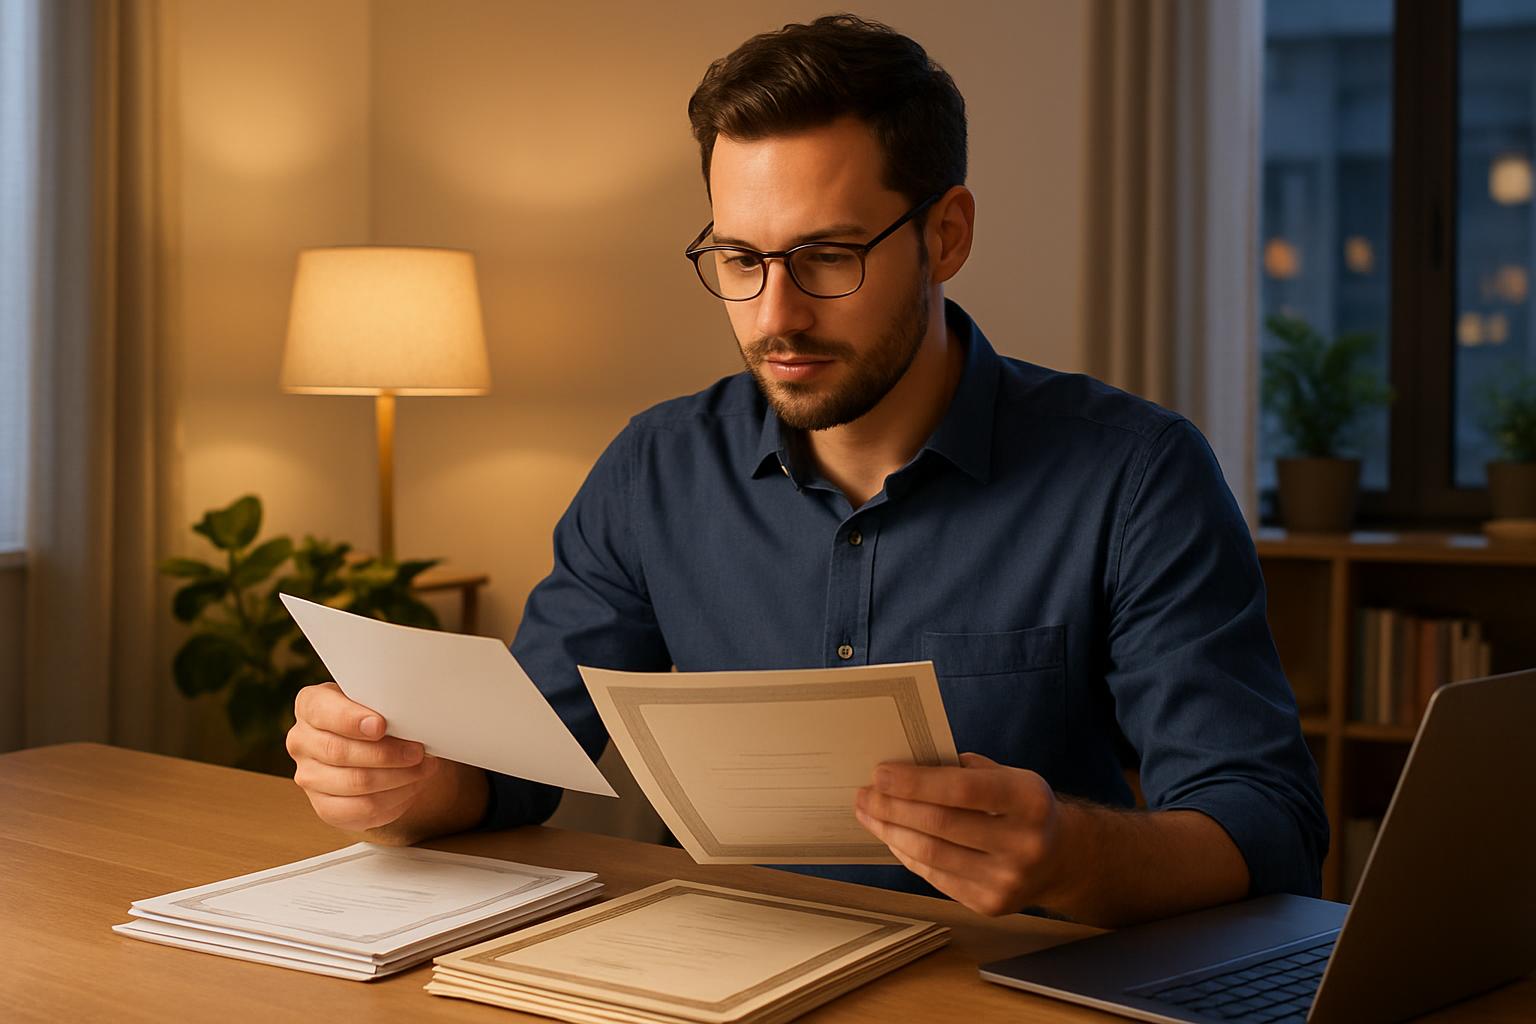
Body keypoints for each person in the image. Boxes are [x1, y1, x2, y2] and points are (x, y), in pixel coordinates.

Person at [285, 15, 1326, 929]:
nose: (776, 316)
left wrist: (1072, 855)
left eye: (828, 257)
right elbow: (521, 759)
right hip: (718, 979)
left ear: (947, 235)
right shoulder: (655, 470)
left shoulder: (1136, 475)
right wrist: (409, 782)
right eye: (741, 260)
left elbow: (1268, 825)